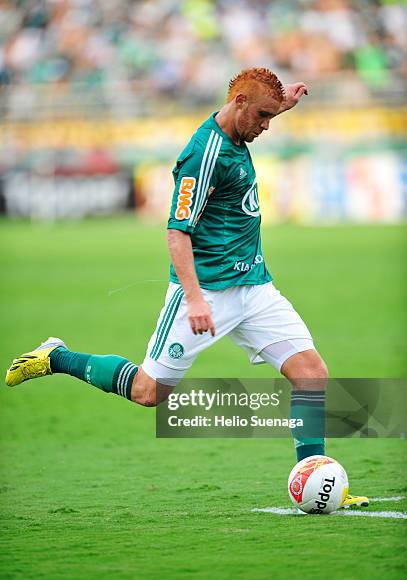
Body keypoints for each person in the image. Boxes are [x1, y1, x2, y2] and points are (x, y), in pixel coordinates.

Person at [6, 67, 367, 507]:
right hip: (206, 293)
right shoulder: (203, 155)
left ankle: (316, 478)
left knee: (312, 374)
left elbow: (255, 109)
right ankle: (56, 357)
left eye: (273, 116)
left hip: (254, 286)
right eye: (264, 116)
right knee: (147, 392)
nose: (268, 126)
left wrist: (281, 102)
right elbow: (177, 232)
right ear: (239, 105)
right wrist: (194, 298)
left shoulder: (240, 124)